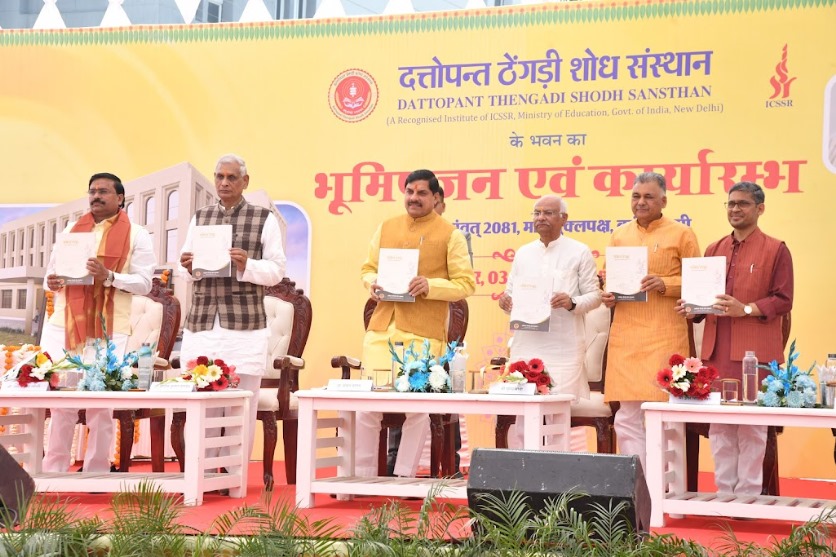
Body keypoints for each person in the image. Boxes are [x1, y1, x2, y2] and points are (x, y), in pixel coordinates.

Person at [357, 169, 475, 478]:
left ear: (436, 198)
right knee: (366, 405)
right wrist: (373, 282)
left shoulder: (450, 234)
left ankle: (402, 477)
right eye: (409, 191)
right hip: (382, 331)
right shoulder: (386, 227)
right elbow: (367, 268)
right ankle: (362, 477)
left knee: (416, 408)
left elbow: (465, 284)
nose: (414, 198)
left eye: (422, 193)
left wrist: (431, 286)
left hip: (422, 336)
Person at [676, 181, 793, 494]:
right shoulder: (714, 249)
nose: (735, 209)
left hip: (755, 352)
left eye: (742, 204)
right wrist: (692, 309)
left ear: (760, 209)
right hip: (716, 350)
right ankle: (725, 493)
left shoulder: (775, 248)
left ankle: (749, 497)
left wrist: (747, 308)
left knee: (752, 426)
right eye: (730, 204)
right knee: (720, 426)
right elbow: (704, 303)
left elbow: (784, 299)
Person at [179, 154, 286, 479]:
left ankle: (234, 476)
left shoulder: (262, 218)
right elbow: (186, 273)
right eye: (219, 177)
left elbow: (277, 271)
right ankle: (202, 476)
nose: (224, 183)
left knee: (240, 405)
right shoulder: (201, 217)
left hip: (245, 327)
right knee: (202, 403)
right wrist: (187, 266)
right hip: (203, 324)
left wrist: (247, 265)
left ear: (245, 181)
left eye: (231, 177)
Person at [42, 172, 155, 472]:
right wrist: (51, 281)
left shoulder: (137, 235)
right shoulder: (72, 229)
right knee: (59, 400)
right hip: (64, 325)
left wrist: (110, 276)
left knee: (100, 401)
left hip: (109, 327)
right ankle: (53, 470)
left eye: (104, 191)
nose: (96, 196)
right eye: (92, 191)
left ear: (120, 198)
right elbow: (50, 275)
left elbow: (145, 284)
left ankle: (96, 470)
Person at [602, 172, 700, 474]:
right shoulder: (620, 235)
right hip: (626, 335)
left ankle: (668, 486)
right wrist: (608, 296)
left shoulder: (682, 234)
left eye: (648, 197)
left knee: (664, 414)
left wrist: (665, 284)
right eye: (636, 196)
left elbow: (701, 281)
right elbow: (609, 277)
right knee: (626, 417)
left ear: (663, 201)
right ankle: (640, 483)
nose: (640, 202)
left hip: (665, 333)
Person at [497, 195, 602, 451]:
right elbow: (509, 292)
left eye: (548, 213)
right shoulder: (523, 253)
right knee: (523, 414)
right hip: (526, 345)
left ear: (564, 218)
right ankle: (522, 479)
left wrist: (571, 302)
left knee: (555, 416)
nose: (541, 217)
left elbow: (595, 296)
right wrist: (505, 301)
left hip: (563, 348)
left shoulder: (579, 251)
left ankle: (557, 483)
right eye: (537, 213)